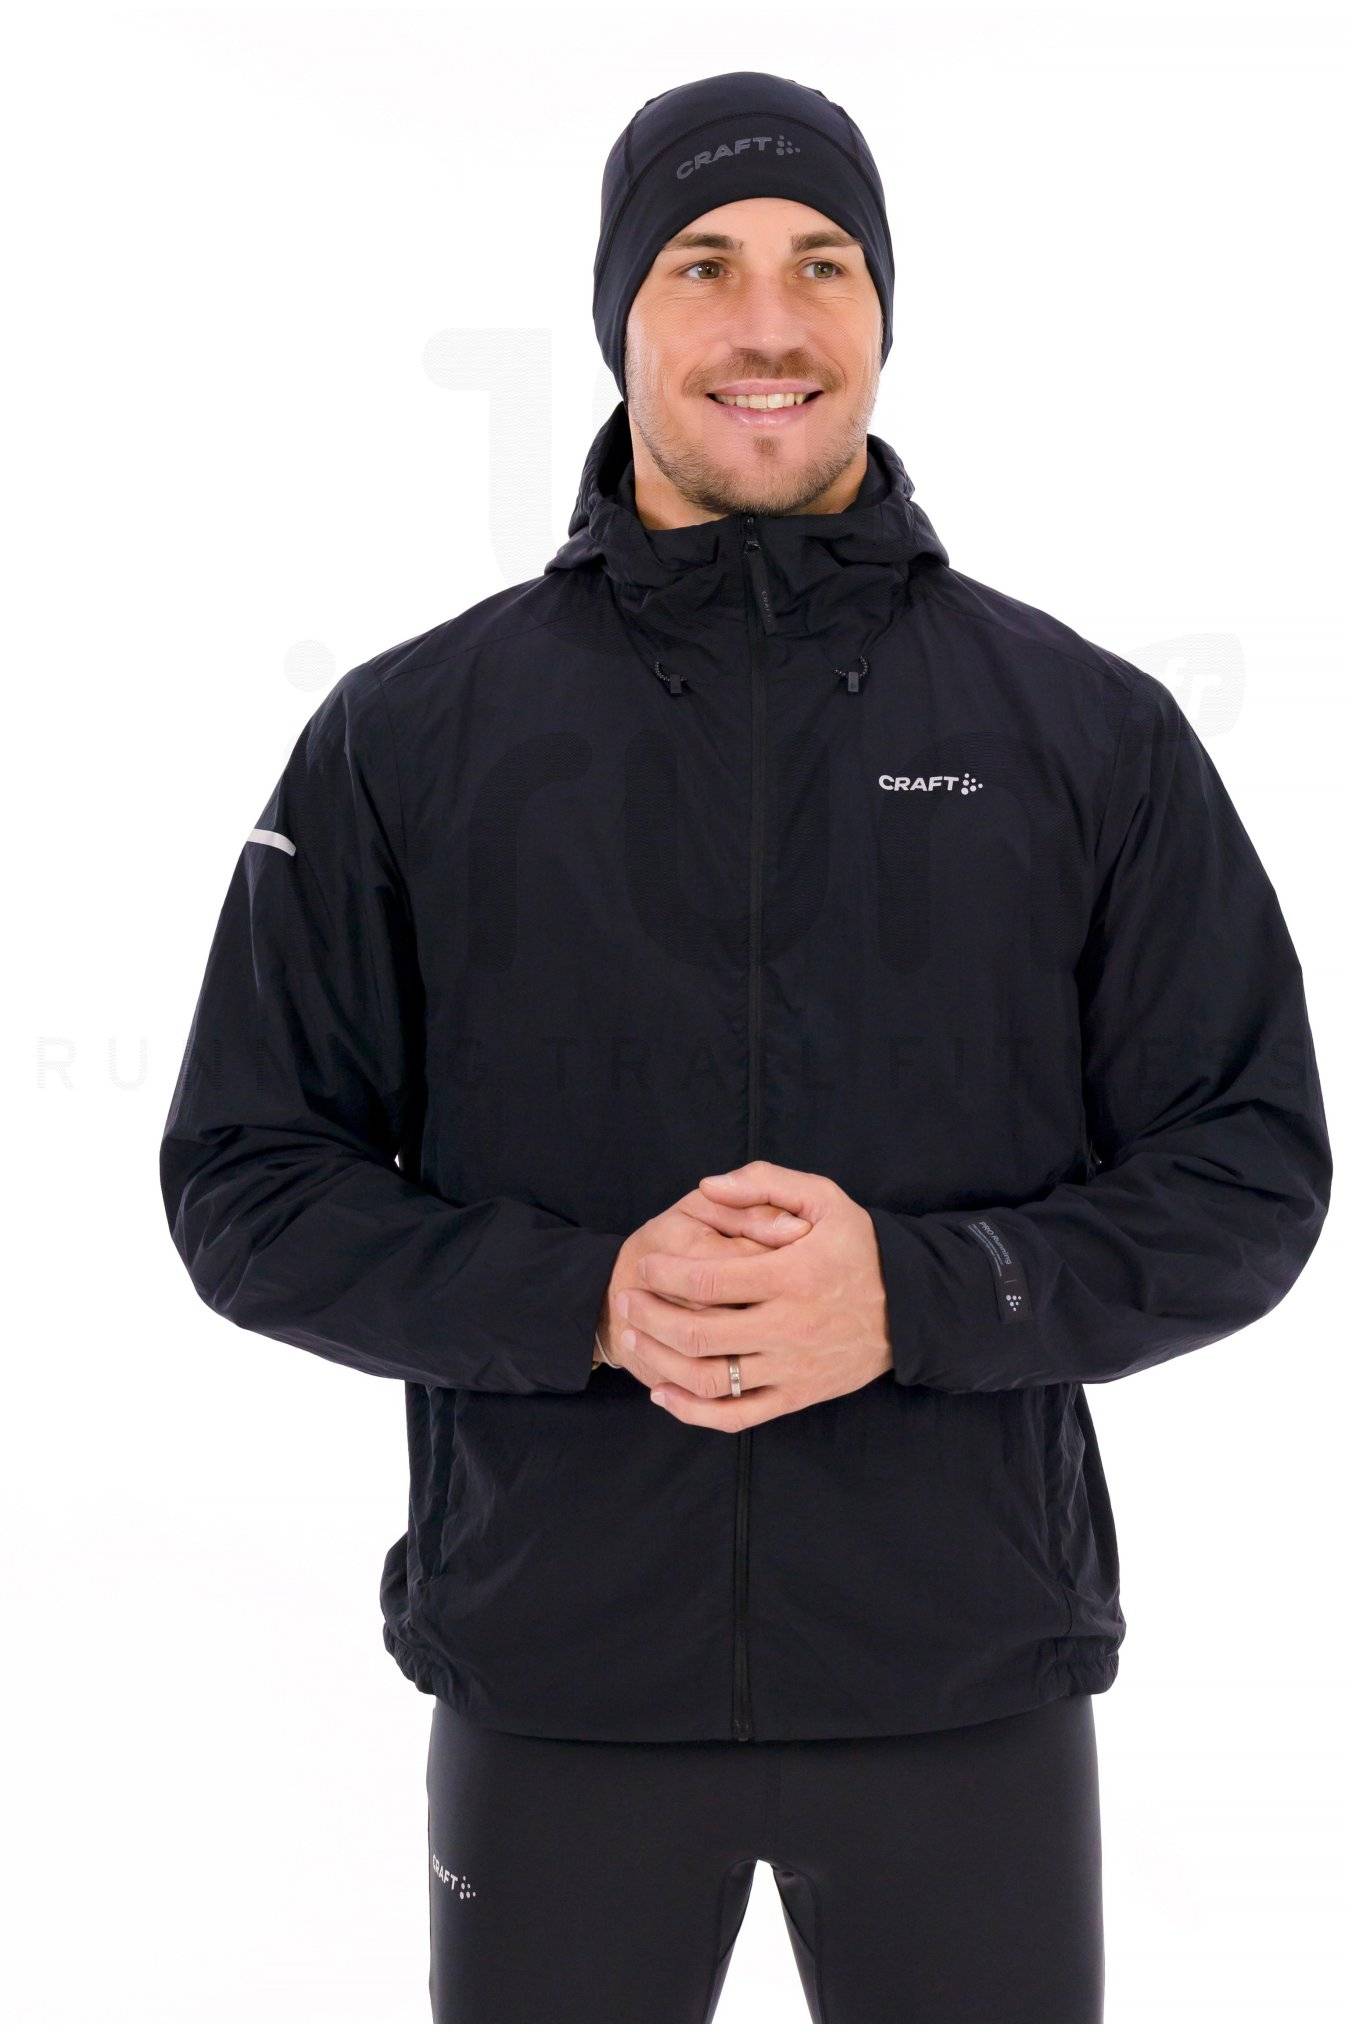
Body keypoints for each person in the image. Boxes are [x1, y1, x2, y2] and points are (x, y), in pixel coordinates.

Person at [158, 69, 1333, 2024]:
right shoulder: (410, 737)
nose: (767, 321)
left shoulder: (1086, 732)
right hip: (558, 1681)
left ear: (884, 311)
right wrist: (588, 1300)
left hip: (962, 1678)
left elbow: (1249, 1167)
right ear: (618, 314)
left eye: (822, 263)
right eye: (701, 264)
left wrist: (921, 1293)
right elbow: (247, 1182)